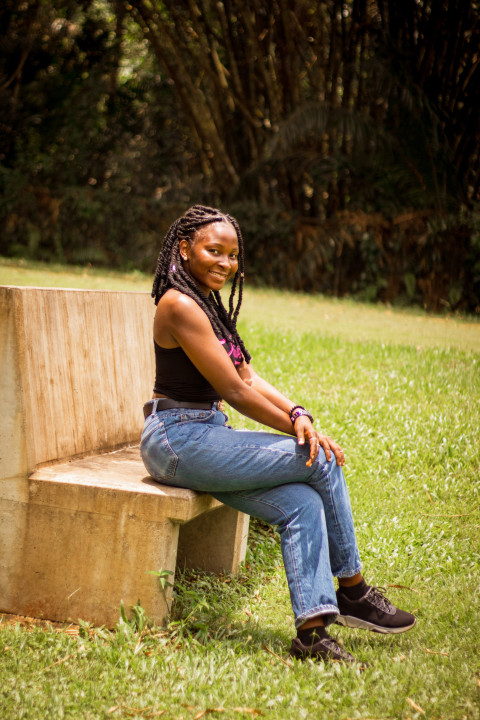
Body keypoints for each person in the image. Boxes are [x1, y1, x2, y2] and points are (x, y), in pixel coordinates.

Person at [140, 204, 415, 666]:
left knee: (301, 503)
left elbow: (245, 377)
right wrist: (294, 428)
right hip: (176, 439)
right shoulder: (179, 303)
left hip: (204, 434)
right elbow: (232, 391)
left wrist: (297, 411)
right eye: (214, 251)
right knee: (319, 459)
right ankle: (353, 589)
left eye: (232, 255)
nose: (225, 264)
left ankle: (312, 632)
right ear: (184, 249)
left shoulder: (205, 302)